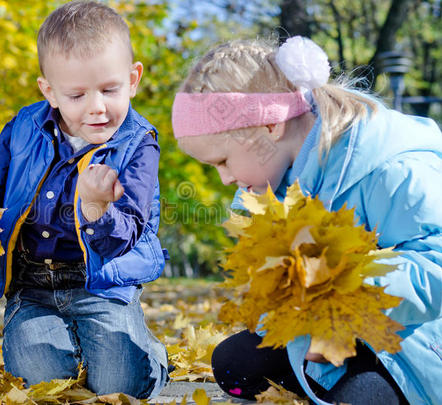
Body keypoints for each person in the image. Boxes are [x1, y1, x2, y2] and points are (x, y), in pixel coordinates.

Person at [171, 36, 441, 405]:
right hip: (324, 341)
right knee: (234, 363)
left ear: (269, 127)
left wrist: (346, 303)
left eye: (222, 161)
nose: (225, 178)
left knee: (360, 398)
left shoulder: (391, 169)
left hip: (412, 345)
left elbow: (435, 266)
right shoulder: (275, 183)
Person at [0, 1, 169, 397]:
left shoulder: (138, 144)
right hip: (32, 284)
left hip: (102, 284)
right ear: (50, 92)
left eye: (110, 90)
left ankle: (152, 357)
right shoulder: (25, 125)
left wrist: (97, 209)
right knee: (42, 381)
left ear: (133, 79)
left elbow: (126, 232)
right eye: (77, 95)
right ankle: (61, 344)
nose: (96, 108)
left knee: (120, 387)